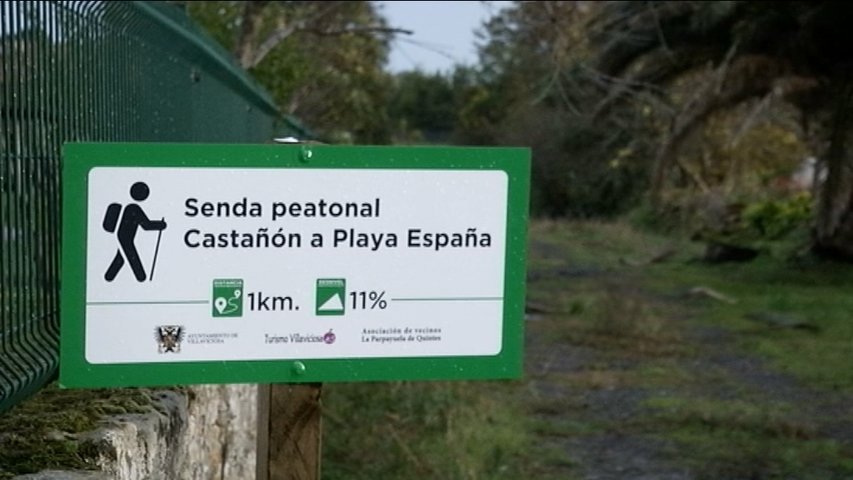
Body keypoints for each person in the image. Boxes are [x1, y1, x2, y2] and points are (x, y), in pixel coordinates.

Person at [103, 182, 167, 282]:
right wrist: (161, 225)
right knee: (131, 257)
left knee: (121, 258)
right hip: (125, 238)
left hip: (123, 237)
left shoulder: (129, 207)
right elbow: (146, 225)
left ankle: (109, 277)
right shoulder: (133, 208)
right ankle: (141, 278)